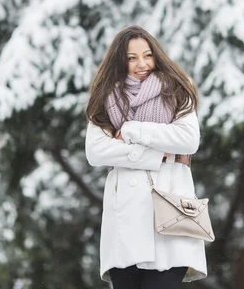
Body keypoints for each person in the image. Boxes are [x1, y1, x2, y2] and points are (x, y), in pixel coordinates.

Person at [85, 25, 207, 288]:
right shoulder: (107, 97)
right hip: (125, 219)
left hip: (171, 211)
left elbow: (188, 139)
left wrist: (131, 129)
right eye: (131, 57)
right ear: (120, 61)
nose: (142, 63)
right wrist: (156, 154)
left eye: (147, 55)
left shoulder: (177, 89)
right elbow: (95, 151)